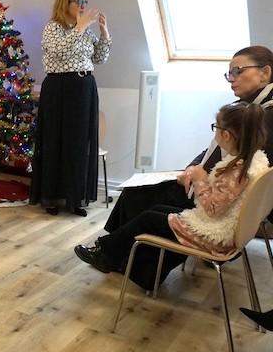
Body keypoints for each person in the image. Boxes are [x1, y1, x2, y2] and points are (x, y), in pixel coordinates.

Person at [75, 102, 269, 290]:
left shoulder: (237, 171)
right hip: (218, 226)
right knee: (156, 210)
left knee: (148, 219)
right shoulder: (251, 161)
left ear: (226, 135)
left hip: (214, 234)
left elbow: (212, 209)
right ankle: (115, 256)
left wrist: (200, 180)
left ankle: (106, 254)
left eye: (215, 128)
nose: (214, 132)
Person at [104, 46, 273, 232]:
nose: (232, 79)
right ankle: (113, 243)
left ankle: (117, 246)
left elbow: (236, 172)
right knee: (140, 189)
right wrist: (192, 168)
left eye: (238, 71)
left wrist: (198, 178)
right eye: (230, 73)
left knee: (135, 194)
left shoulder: (264, 117)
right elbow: (215, 150)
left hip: (213, 198)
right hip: (207, 183)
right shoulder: (249, 109)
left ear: (265, 73)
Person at [29, 0, 111, 216]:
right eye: (79, 2)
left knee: (79, 144)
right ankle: (51, 196)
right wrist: (80, 27)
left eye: (85, 2)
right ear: (66, 3)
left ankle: (75, 198)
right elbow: (60, 52)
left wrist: (104, 33)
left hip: (84, 89)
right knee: (55, 141)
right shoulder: (53, 28)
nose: (84, 7)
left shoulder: (86, 31)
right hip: (59, 89)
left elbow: (99, 58)